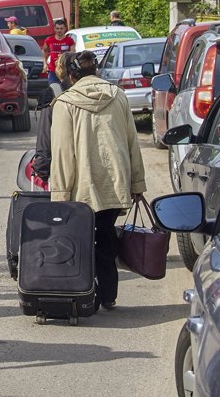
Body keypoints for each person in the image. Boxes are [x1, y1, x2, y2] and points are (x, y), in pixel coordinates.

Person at [49, 51, 146, 311]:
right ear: (96, 72)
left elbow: (62, 153)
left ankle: (83, 292)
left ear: (71, 76)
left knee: (79, 241)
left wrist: (59, 195)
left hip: (81, 187)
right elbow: (132, 142)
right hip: (115, 182)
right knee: (105, 235)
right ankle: (108, 295)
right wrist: (137, 183)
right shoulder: (119, 96)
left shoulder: (65, 103)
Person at [30, 52, 69, 189]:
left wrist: (41, 170)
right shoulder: (110, 93)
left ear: (60, 70)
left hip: (68, 173)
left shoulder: (51, 95)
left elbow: (45, 140)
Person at [42, 18, 74, 85]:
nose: (59, 30)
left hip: (65, 71)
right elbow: (44, 51)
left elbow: (72, 54)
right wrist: (45, 64)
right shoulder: (49, 40)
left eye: (61, 28)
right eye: (57, 28)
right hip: (53, 70)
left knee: (65, 90)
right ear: (54, 29)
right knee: (54, 89)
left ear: (65, 29)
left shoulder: (69, 40)